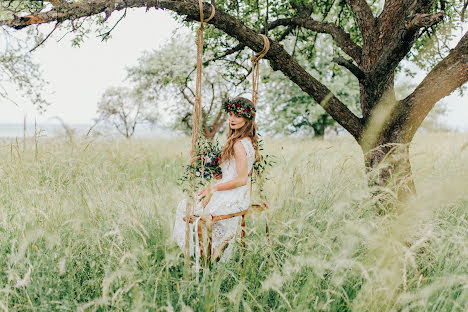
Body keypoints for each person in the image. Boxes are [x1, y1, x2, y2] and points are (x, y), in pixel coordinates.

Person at [173, 96, 261, 263]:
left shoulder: (238, 144)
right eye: (231, 115)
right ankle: (212, 252)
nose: (232, 119)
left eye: (238, 116)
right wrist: (216, 171)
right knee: (193, 205)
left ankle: (199, 256)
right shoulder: (248, 141)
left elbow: (242, 179)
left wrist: (213, 188)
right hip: (237, 193)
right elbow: (237, 172)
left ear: (247, 119)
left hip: (234, 193)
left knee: (187, 207)